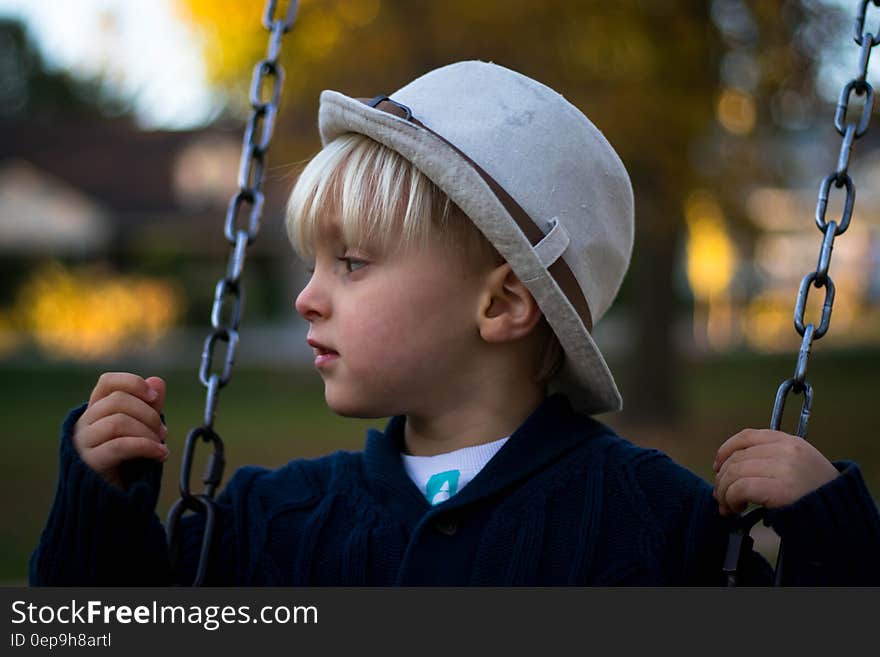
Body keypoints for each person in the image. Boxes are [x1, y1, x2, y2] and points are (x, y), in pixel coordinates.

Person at [30, 61, 880, 586]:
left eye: (352, 264)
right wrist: (97, 507)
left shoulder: (659, 528)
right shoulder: (264, 524)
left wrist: (831, 540)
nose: (307, 297)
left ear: (503, 304)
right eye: (315, 264)